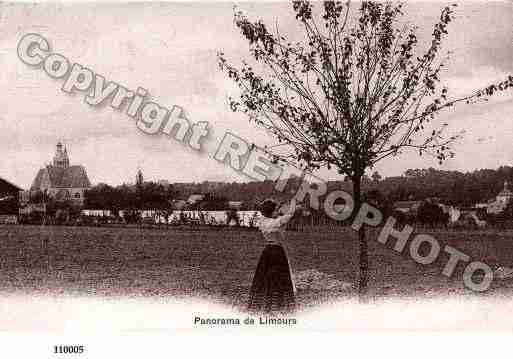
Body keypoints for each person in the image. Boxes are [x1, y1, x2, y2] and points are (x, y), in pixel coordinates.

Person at [247, 197, 298, 314]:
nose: (277, 212)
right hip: (277, 251)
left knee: (265, 278)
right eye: (275, 210)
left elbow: (280, 218)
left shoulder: (263, 222)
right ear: (271, 212)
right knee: (280, 277)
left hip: (267, 251)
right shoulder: (275, 222)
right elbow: (290, 214)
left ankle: (267, 302)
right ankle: (279, 303)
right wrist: (294, 201)